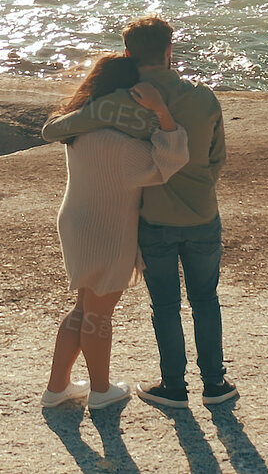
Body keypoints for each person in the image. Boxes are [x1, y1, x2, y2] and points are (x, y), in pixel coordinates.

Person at [42, 16, 235, 408]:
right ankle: (205, 387)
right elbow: (192, 158)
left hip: (109, 222)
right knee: (198, 301)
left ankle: (63, 388)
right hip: (159, 222)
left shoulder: (98, 119)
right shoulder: (196, 101)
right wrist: (164, 116)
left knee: (114, 307)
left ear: (129, 54)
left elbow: (56, 128)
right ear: (170, 50)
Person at [42, 53, 189, 410]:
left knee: (83, 307)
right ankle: (101, 391)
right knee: (98, 315)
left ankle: (57, 388)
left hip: (78, 222)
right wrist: (163, 113)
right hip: (106, 230)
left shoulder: (79, 130)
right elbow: (171, 160)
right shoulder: (124, 146)